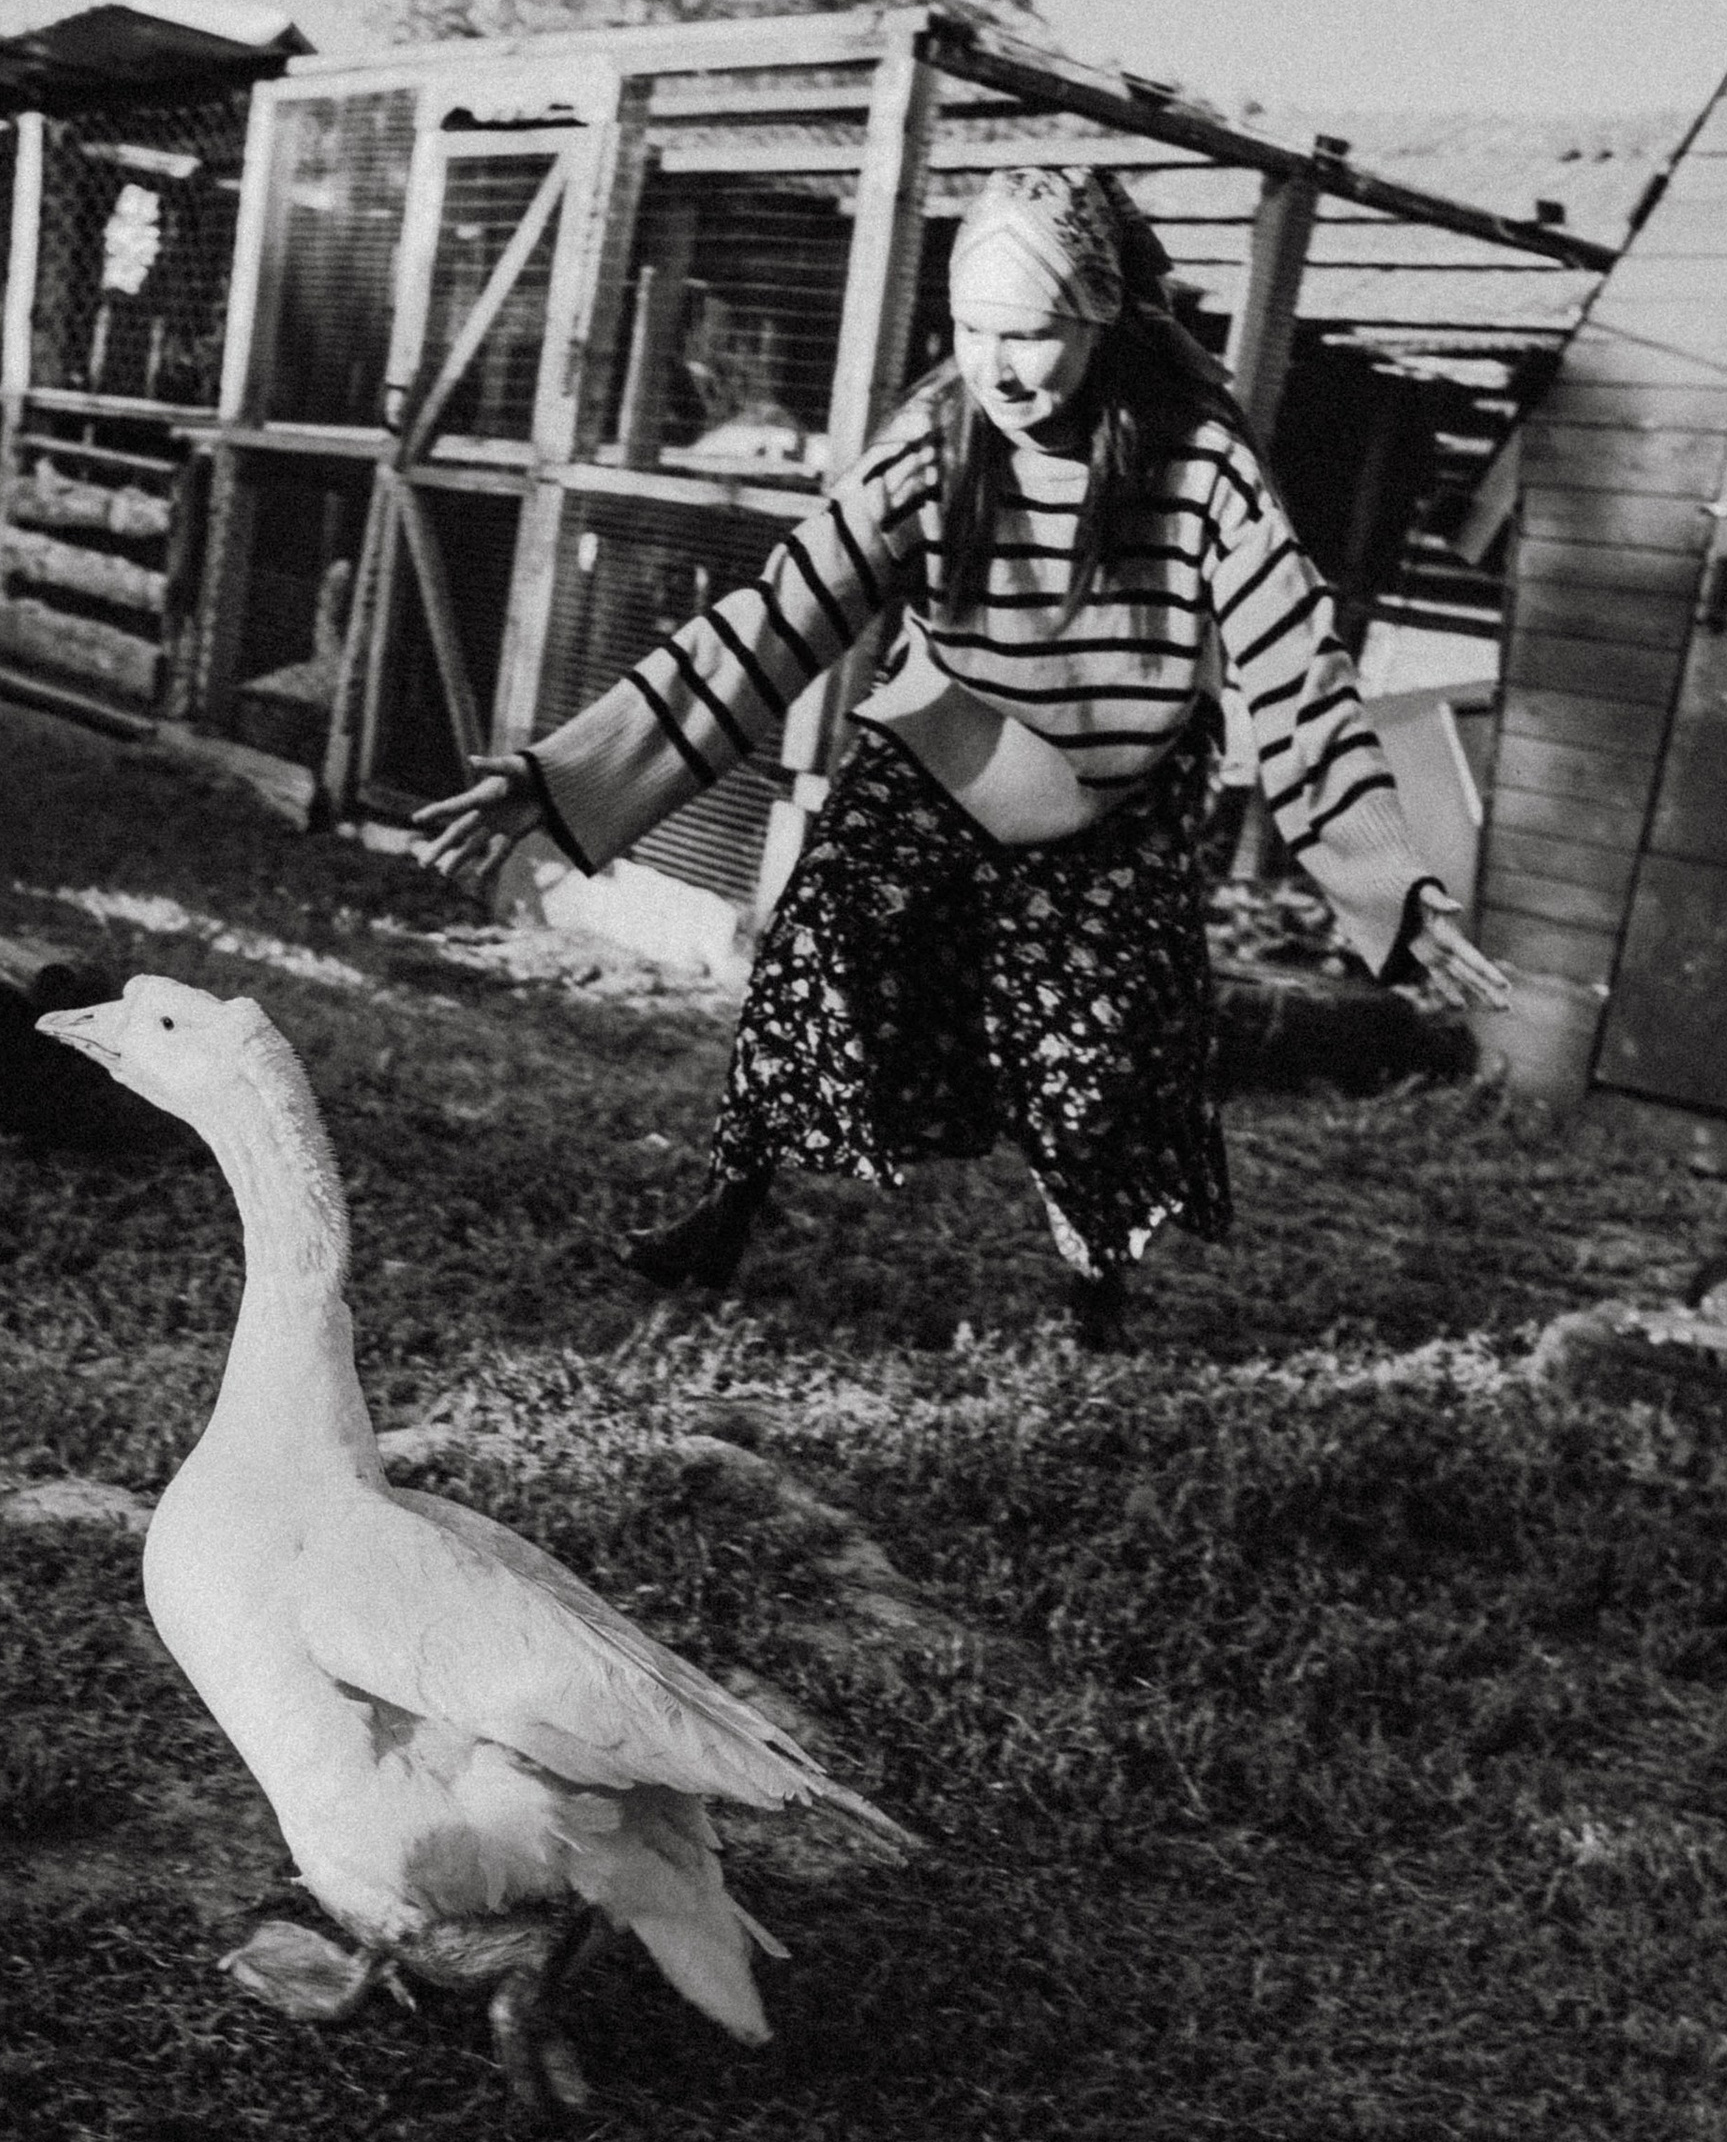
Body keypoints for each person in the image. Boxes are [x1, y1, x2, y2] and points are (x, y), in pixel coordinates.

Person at [415, 164, 1508, 1342]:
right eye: (974, 332)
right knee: (817, 955)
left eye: (1031, 335)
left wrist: (1388, 887)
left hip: (1118, 794)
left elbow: (1296, 670)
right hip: (948, 752)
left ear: (1097, 318)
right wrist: (560, 773)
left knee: (1095, 1046)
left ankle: (1095, 1290)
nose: (999, 366)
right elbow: (780, 617)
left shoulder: (1199, 465)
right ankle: (725, 1211)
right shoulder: (936, 439)